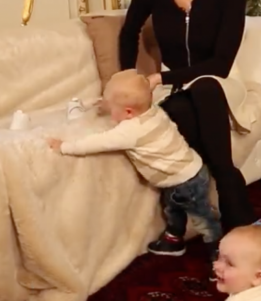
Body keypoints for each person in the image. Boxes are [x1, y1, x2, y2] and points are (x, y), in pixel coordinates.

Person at [118, 0, 255, 251]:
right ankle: (225, 230)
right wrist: (128, 78)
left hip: (220, 83)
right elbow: (129, 31)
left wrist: (159, 76)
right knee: (179, 110)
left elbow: (221, 64)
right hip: (176, 88)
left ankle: (235, 237)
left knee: (205, 91)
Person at [47, 70, 222, 258]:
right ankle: (173, 240)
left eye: (112, 109)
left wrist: (64, 146)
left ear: (129, 112)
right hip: (186, 173)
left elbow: (95, 143)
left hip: (186, 181)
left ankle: (219, 254)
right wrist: (108, 103)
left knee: (203, 219)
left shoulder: (130, 131)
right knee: (172, 208)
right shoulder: (154, 111)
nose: (109, 112)